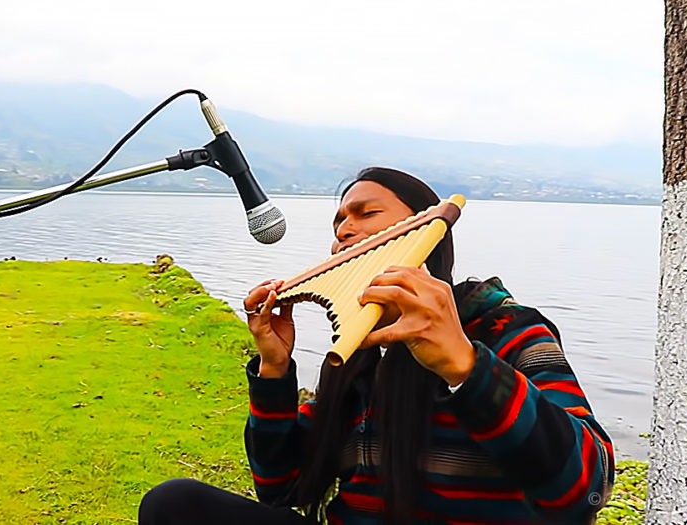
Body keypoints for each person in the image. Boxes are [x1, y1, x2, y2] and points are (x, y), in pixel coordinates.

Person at [139, 167, 614, 525]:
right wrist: (274, 369)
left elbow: (586, 489)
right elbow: (279, 487)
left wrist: (465, 367)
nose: (344, 231)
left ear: (423, 234)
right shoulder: (357, 358)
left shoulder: (505, 328)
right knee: (175, 504)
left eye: (366, 214)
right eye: (338, 222)